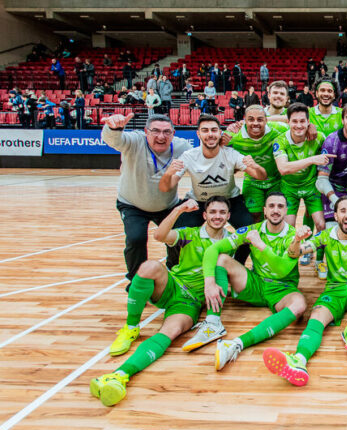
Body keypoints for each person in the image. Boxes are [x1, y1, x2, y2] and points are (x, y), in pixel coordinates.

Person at [89, 196, 231, 407]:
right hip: (173, 284)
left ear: (228, 216)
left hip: (189, 302)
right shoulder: (189, 235)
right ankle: (131, 327)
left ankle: (119, 375)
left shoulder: (232, 240)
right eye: (213, 212)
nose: (217, 216)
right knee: (150, 267)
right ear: (205, 215)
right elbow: (159, 235)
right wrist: (179, 210)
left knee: (170, 332)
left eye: (222, 213)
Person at [262, 196, 347, 386]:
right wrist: (297, 240)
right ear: (336, 215)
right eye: (343, 211)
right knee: (315, 319)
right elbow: (293, 254)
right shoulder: (325, 235)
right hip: (334, 291)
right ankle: (299, 360)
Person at [206, 192, 307, 370]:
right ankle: (213, 323)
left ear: (286, 211)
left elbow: (281, 269)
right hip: (257, 284)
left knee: (300, 304)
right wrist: (209, 282)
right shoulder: (252, 230)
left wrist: (260, 245)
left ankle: (236, 344)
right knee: (222, 259)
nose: (276, 210)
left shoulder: (293, 236)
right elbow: (214, 249)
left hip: (282, 289)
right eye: (272, 206)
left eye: (280, 207)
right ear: (265, 210)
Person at [102, 113, 193, 284]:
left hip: (167, 205)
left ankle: (174, 273)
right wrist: (113, 128)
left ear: (173, 133)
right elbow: (114, 140)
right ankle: (137, 281)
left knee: (178, 237)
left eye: (167, 132)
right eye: (155, 131)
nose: (161, 136)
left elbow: (201, 159)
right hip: (132, 204)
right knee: (136, 239)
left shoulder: (182, 147)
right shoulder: (135, 141)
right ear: (146, 131)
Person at [158, 114, 265, 244]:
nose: (210, 134)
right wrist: (168, 173)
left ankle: (235, 263)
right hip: (199, 201)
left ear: (220, 133)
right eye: (205, 130)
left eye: (214, 130)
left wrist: (255, 166)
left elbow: (260, 176)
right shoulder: (189, 156)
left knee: (249, 233)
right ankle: (173, 263)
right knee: (178, 234)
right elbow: (164, 188)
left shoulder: (230, 154)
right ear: (198, 134)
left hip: (230, 200)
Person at [272, 103, 330, 244]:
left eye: (302, 121)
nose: (299, 125)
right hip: (289, 188)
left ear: (308, 122)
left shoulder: (319, 137)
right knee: (289, 228)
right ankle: (292, 256)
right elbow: (283, 168)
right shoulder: (280, 141)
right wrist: (312, 160)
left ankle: (315, 256)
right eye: (295, 121)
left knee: (322, 225)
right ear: (288, 122)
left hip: (311, 187)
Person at [221, 105, 289, 221]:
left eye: (260, 119)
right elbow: (213, 143)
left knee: (276, 215)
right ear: (244, 120)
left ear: (266, 120)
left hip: (276, 180)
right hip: (252, 181)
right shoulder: (233, 135)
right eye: (251, 119)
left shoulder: (279, 129)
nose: (255, 123)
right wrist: (221, 143)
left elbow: (296, 125)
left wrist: (310, 127)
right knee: (255, 216)